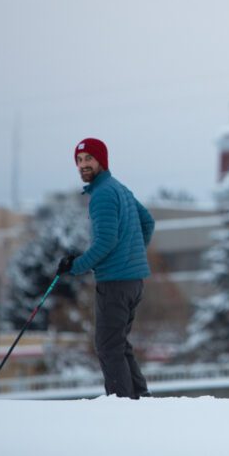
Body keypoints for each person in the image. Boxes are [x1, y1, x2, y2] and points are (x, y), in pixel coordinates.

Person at [56, 138, 155, 399]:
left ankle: (122, 405)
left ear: (102, 160)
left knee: (108, 347)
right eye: (79, 160)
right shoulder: (119, 188)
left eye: (89, 158)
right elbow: (148, 222)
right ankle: (140, 399)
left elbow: (106, 241)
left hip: (115, 283)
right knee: (119, 345)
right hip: (133, 282)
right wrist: (132, 255)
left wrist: (76, 266)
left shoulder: (102, 195)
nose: (83, 164)